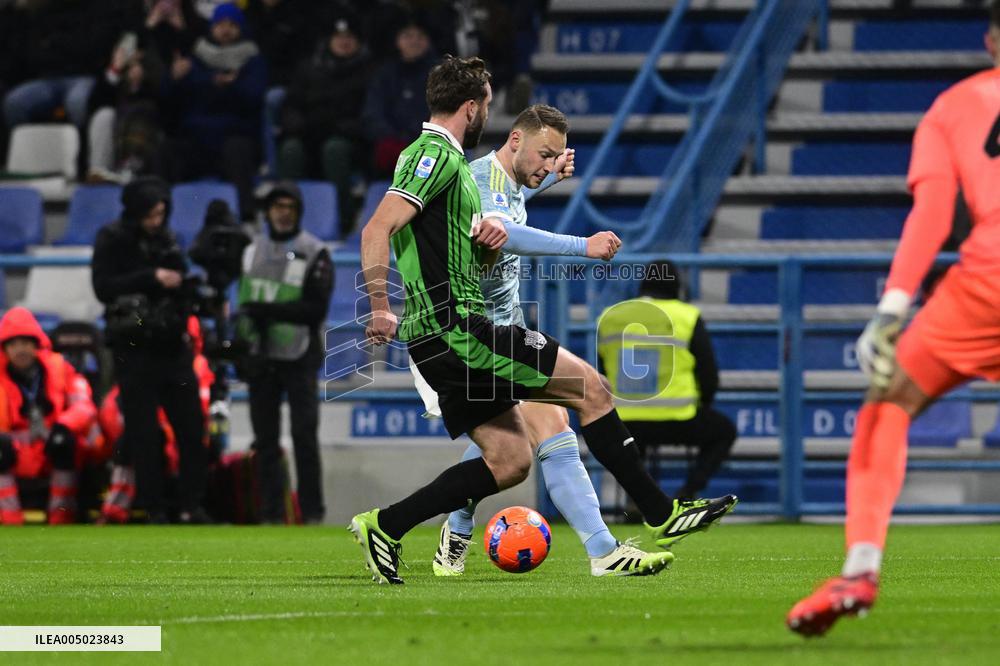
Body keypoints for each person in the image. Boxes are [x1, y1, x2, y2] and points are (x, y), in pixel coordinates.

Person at [350, 55, 737, 585]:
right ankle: (657, 515)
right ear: (473, 106)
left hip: (446, 333)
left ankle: (386, 526)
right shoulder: (436, 156)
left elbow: (477, 228)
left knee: (510, 460)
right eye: (486, 102)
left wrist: (536, 187)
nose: (489, 109)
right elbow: (378, 228)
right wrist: (378, 304)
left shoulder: (458, 170)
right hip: (460, 328)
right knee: (590, 389)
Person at [787, 0, 1000, 636]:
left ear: (992, 41)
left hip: (986, 284)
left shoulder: (955, 106)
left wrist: (892, 307)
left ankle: (859, 567)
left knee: (887, 402)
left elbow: (933, 216)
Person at [423, 104, 671, 578]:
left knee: (528, 438)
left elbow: (510, 204)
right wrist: (583, 244)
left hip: (497, 330)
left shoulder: (507, 182)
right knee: (553, 419)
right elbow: (503, 233)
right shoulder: (479, 179)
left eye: (557, 155)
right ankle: (602, 548)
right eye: (544, 152)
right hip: (468, 335)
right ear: (515, 139)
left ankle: (596, 548)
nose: (550, 162)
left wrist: (546, 178)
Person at [91, 176, 208, 524]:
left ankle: (192, 505)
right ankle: (153, 508)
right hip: (133, 348)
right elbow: (103, 287)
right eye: (150, 215)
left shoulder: (168, 239)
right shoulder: (112, 239)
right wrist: (152, 276)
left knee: (190, 428)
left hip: (172, 346)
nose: (156, 222)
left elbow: (181, 280)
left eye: (160, 214)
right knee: (143, 434)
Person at [597, 260, 737, 502]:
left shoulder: (611, 317)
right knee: (724, 431)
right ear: (678, 287)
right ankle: (688, 492)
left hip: (626, 422)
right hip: (679, 419)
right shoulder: (687, 316)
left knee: (630, 445)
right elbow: (709, 374)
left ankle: (637, 499)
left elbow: (601, 374)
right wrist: (703, 402)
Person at [235, 181, 334, 524]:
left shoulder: (314, 250)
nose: (283, 212)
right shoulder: (250, 251)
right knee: (265, 441)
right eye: (277, 206)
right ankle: (271, 513)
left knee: (303, 436)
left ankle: (311, 512)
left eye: (289, 207)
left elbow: (315, 309)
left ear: (298, 212)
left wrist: (265, 312)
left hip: (299, 355)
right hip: (261, 355)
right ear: (267, 212)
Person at [99, 316, 215, 524]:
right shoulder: (137, 366)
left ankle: (188, 506)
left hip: (176, 440)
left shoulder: (197, 367)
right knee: (137, 438)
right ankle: (130, 509)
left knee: (191, 436)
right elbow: (112, 408)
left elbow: (202, 409)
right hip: (159, 436)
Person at [161, 2, 266, 218]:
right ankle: (161, 215)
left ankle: (246, 217)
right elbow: (172, 101)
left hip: (233, 137)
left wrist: (223, 87)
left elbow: (253, 97)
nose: (225, 30)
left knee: (238, 151)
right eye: (220, 24)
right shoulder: (195, 57)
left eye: (231, 25)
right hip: (195, 139)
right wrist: (173, 79)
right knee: (166, 151)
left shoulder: (252, 59)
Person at [0, 307, 99, 526]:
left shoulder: (60, 369)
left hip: (51, 446)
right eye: (13, 344)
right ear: (5, 349)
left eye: (25, 343)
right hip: (14, 453)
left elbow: (84, 404)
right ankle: (8, 520)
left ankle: (61, 517)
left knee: (68, 442)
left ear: (36, 345)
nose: (20, 350)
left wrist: (64, 426)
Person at [278, 14, 372, 225]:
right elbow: (290, 105)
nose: (344, 42)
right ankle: (287, 219)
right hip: (309, 136)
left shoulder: (369, 71)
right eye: (338, 36)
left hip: (349, 141)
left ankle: (343, 219)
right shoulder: (309, 68)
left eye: (349, 37)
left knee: (334, 150)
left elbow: (368, 115)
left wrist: (344, 128)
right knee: (290, 149)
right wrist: (297, 125)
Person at [361, 17, 437, 178]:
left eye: (420, 36)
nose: (414, 41)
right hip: (389, 147)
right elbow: (372, 113)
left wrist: (414, 139)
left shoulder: (440, 75)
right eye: (408, 36)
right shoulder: (383, 75)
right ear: (397, 40)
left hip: (427, 147)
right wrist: (392, 137)